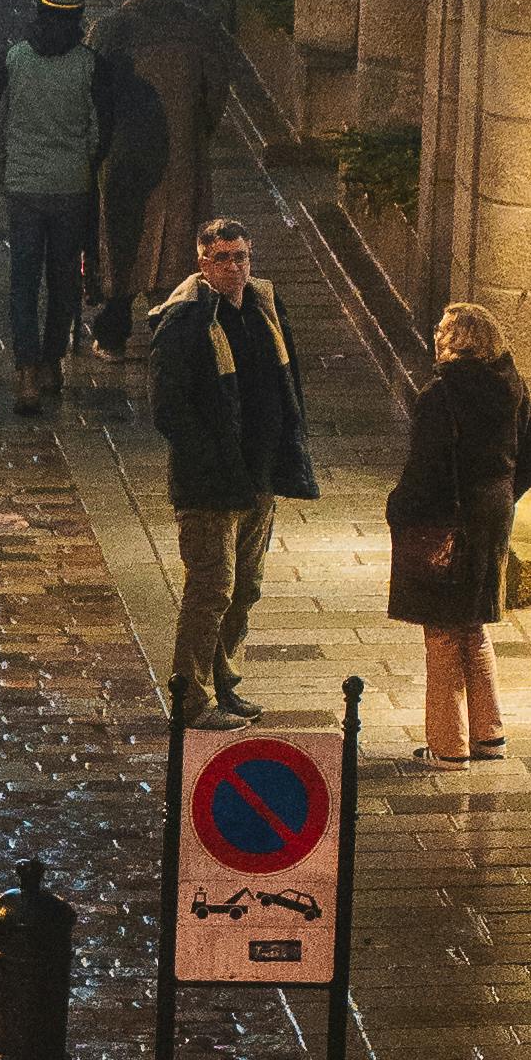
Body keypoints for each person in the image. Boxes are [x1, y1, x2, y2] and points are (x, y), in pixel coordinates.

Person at [149, 212, 320, 709]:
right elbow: (169, 407)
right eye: (221, 258)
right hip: (210, 483)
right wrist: (210, 458)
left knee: (246, 588)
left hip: (259, 475)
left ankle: (225, 680)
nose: (233, 268)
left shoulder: (264, 306)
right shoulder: (184, 320)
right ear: (202, 263)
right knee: (211, 588)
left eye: (240, 256)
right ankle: (191, 698)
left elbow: (287, 383)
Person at [387, 297, 531, 764]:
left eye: (441, 331)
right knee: (474, 623)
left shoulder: (440, 396)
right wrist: (499, 499)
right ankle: (489, 735)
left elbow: (425, 469)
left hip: (449, 517)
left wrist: (399, 508)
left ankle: (447, 745)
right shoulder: (512, 386)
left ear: (453, 343)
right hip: (493, 514)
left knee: (443, 630)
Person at [0, 0, 112, 412]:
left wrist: (2, 170)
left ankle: (26, 372)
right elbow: (101, 130)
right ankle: (53, 361)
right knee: (63, 277)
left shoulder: (13, 59)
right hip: (72, 187)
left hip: (24, 187)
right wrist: (84, 164)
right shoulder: (90, 65)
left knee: (23, 279)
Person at [95, 0, 236, 333]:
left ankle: (115, 324)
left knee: (125, 231)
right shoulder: (195, 26)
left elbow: (94, 93)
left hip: (126, 148)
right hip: (182, 151)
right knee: (177, 232)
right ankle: (171, 325)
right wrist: (197, 130)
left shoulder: (110, 31)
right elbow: (216, 89)